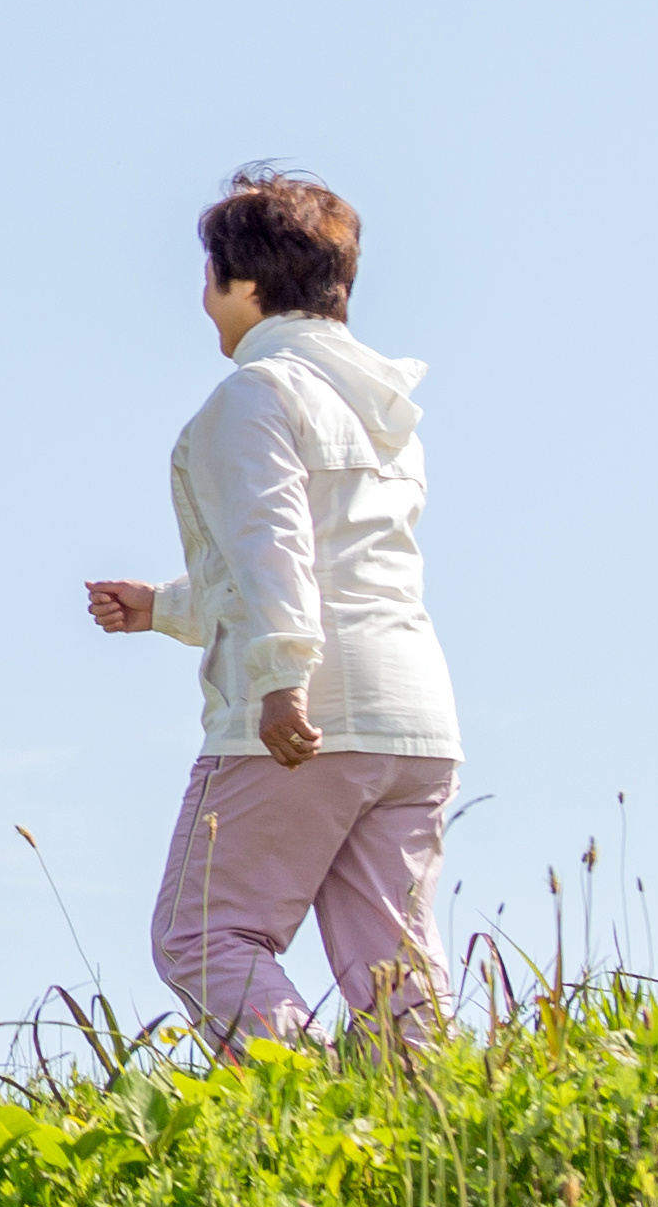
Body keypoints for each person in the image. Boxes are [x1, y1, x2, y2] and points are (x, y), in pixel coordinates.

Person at [85, 167, 460, 1057]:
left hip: (306, 715)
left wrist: (282, 678)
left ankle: (301, 1105)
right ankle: (432, 1137)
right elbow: (334, 560)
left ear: (244, 285)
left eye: (210, 277)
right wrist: (165, 610)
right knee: (392, 966)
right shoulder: (386, 413)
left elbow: (273, 545)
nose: (205, 300)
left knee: (201, 934)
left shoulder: (256, 395)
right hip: (416, 719)